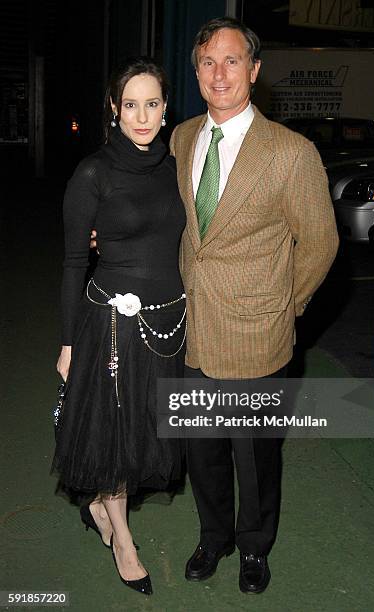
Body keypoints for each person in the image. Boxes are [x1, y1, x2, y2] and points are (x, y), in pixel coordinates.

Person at [169, 17, 339, 594]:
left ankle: (253, 548)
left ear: (255, 70)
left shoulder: (291, 153)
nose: (220, 74)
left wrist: (282, 307)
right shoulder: (182, 137)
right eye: (208, 63)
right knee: (202, 450)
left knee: (255, 459)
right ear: (196, 74)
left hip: (257, 336)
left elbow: (320, 242)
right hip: (193, 329)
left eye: (232, 61)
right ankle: (213, 536)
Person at [52, 57, 186, 596]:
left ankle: (103, 509)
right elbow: (71, 263)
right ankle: (123, 538)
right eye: (130, 104)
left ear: (165, 106)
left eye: (152, 103)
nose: (142, 116)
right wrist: (67, 343)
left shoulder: (175, 164)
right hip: (111, 328)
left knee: (141, 434)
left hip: (167, 325)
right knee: (113, 437)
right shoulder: (93, 172)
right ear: (114, 108)